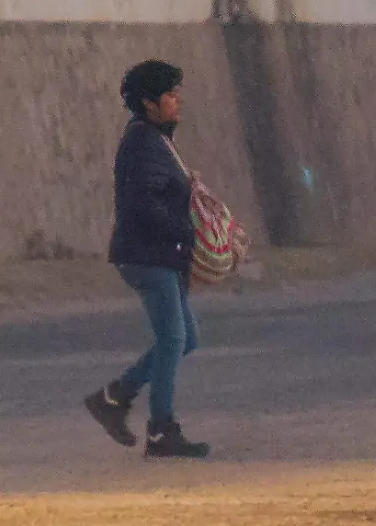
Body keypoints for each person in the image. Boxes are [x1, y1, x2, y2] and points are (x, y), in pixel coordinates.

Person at [83, 60, 210, 459]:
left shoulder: (154, 139)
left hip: (158, 255)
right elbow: (143, 206)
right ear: (148, 103)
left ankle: (114, 397)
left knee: (185, 338)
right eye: (170, 94)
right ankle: (160, 429)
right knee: (174, 338)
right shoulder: (143, 144)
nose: (177, 100)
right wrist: (186, 229)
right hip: (147, 256)